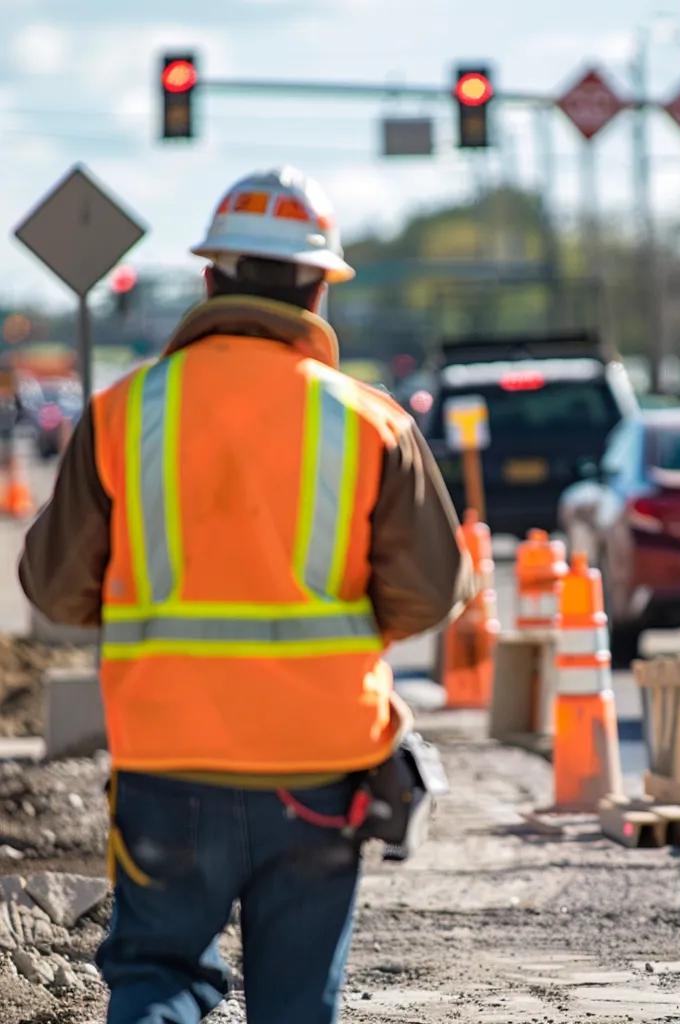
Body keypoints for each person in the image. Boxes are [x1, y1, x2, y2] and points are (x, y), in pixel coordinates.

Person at [19, 167, 472, 1024]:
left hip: (167, 759)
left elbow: (52, 586)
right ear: (317, 288)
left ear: (210, 279)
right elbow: (431, 592)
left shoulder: (123, 412)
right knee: (297, 1006)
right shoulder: (371, 422)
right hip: (321, 769)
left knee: (159, 983)